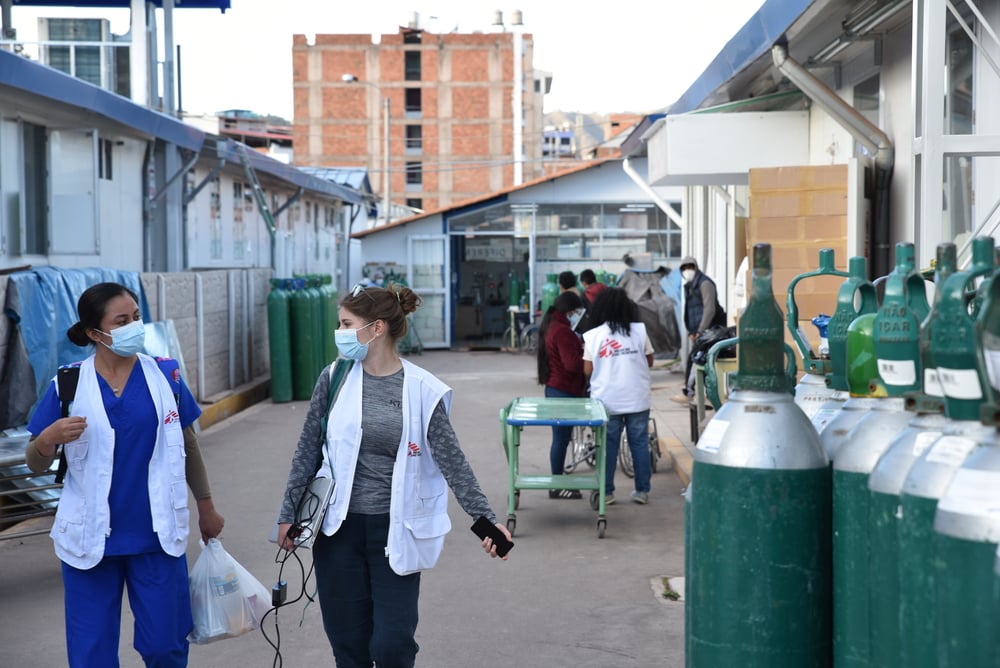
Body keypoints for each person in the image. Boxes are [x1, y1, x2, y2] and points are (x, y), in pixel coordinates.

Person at [275, 283, 511, 668]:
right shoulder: (333, 378)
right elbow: (307, 450)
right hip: (337, 532)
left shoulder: (422, 390)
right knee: (347, 644)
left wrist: (487, 523)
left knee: (391, 645)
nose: (340, 331)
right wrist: (289, 514)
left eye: (347, 323)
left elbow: (454, 463)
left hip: (395, 531)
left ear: (377, 328)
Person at [24, 282, 224, 667]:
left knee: (166, 646)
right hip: (90, 540)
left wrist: (207, 507)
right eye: (122, 321)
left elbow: (188, 445)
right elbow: (35, 460)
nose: (135, 326)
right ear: (94, 333)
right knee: (91, 654)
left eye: (136, 317)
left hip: (156, 536)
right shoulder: (68, 384)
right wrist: (48, 439)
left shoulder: (165, 376)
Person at [581, 287, 654, 505]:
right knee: (639, 444)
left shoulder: (593, 336)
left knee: (608, 446)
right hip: (637, 399)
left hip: (606, 401)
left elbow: (587, 370)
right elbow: (650, 361)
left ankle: (607, 492)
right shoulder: (639, 331)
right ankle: (642, 491)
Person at [536, 291, 587, 498]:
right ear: (570, 311)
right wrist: (586, 354)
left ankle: (557, 481)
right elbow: (572, 364)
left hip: (556, 388)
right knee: (560, 439)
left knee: (560, 439)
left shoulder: (552, 326)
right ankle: (557, 484)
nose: (579, 315)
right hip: (565, 390)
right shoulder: (563, 332)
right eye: (577, 311)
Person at [672, 256, 727, 406]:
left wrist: (701, 330)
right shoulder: (689, 286)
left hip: (710, 331)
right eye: (684, 268)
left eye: (690, 267)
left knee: (696, 360)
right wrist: (691, 331)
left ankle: (692, 393)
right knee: (701, 361)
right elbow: (690, 311)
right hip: (699, 332)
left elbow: (709, 309)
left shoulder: (705, 284)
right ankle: (699, 394)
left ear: (696, 267)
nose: (687, 270)